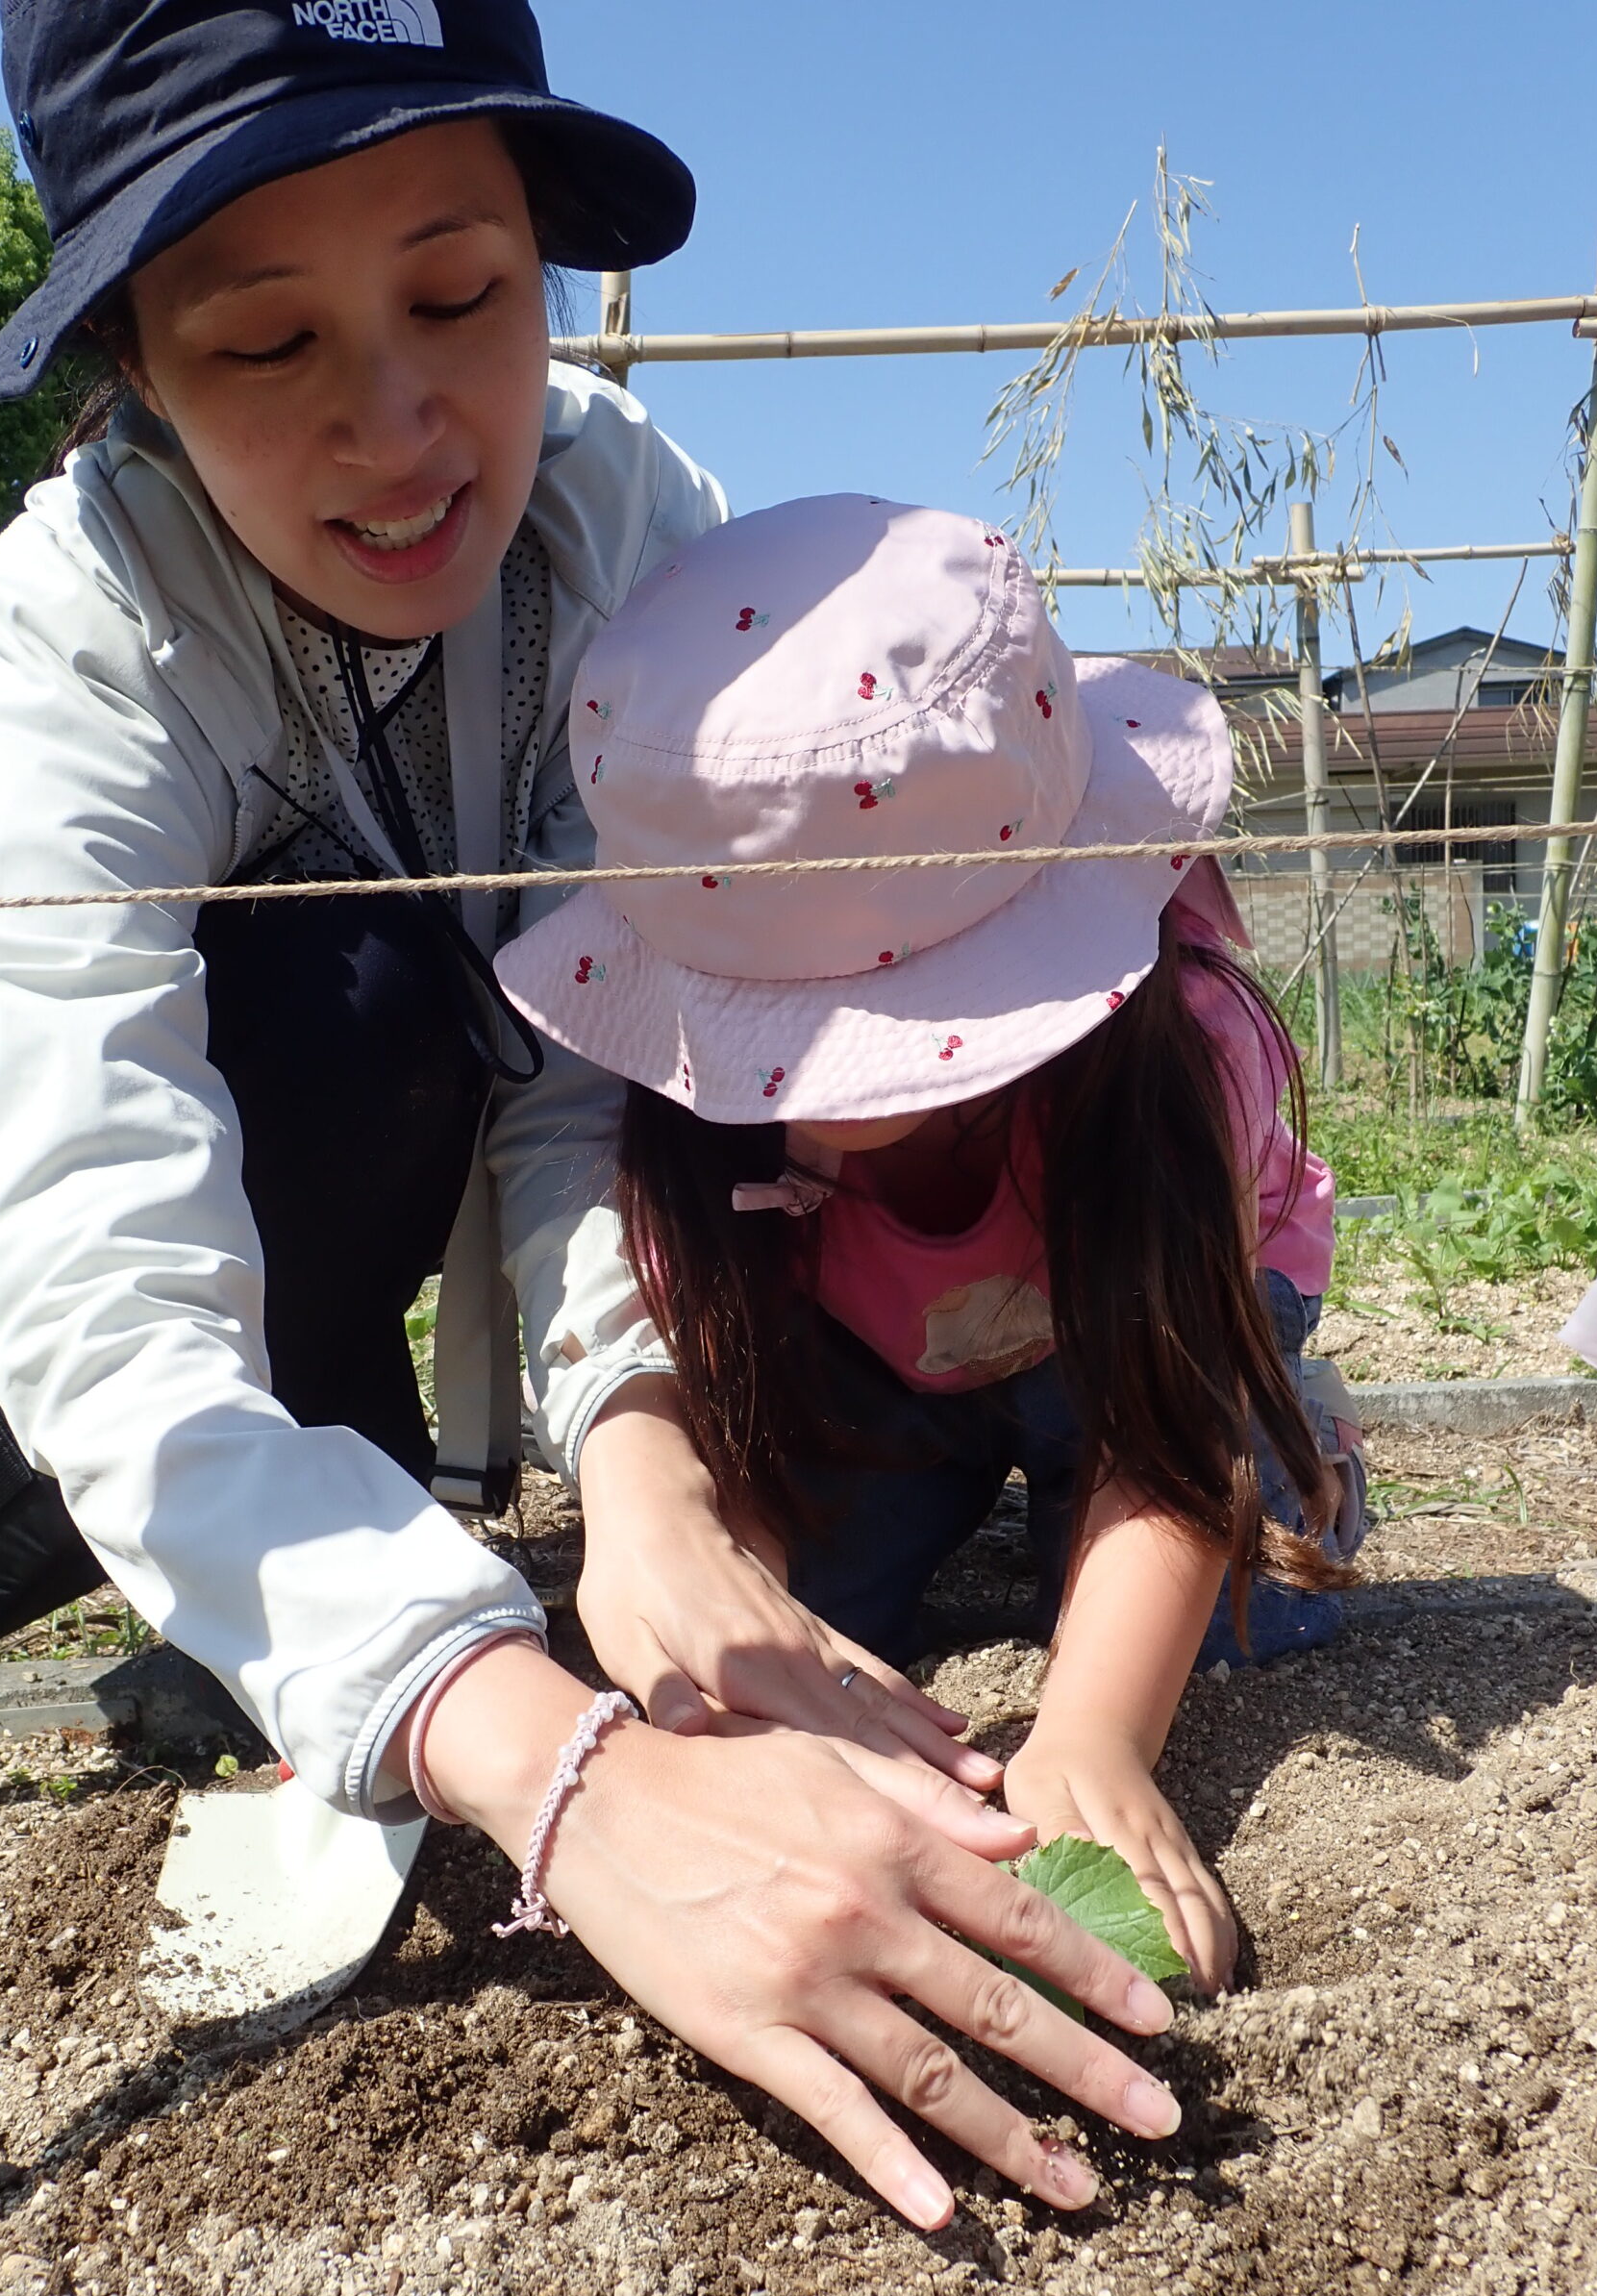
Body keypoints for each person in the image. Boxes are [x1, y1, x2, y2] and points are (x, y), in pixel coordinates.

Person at [0, 2, 1187, 2232]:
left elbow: (611, 1042)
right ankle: (322, 1593)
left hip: (459, 1095)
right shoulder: (62, 654)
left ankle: (400, 1589)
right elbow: (108, 1297)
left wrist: (644, 1453)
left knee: (541, 995)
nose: (401, 425)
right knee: (347, 984)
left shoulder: (624, 523)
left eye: (462, 293)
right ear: (130, 358)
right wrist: (565, 1767)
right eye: (266, 339)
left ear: (545, 255)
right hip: (115, 1239)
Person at [497, 493, 1369, 1996]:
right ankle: (981, 1474)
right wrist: (755, 1672)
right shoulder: (691, 1140)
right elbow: (732, 1420)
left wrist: (1092, 1737)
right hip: (871, 1348)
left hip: (1152, 1331)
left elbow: (1163, 1434)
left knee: (1251, 1602)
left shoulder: (1181, 1059)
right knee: (830, 1634)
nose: (809, 1092)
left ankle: (1302, 1436)